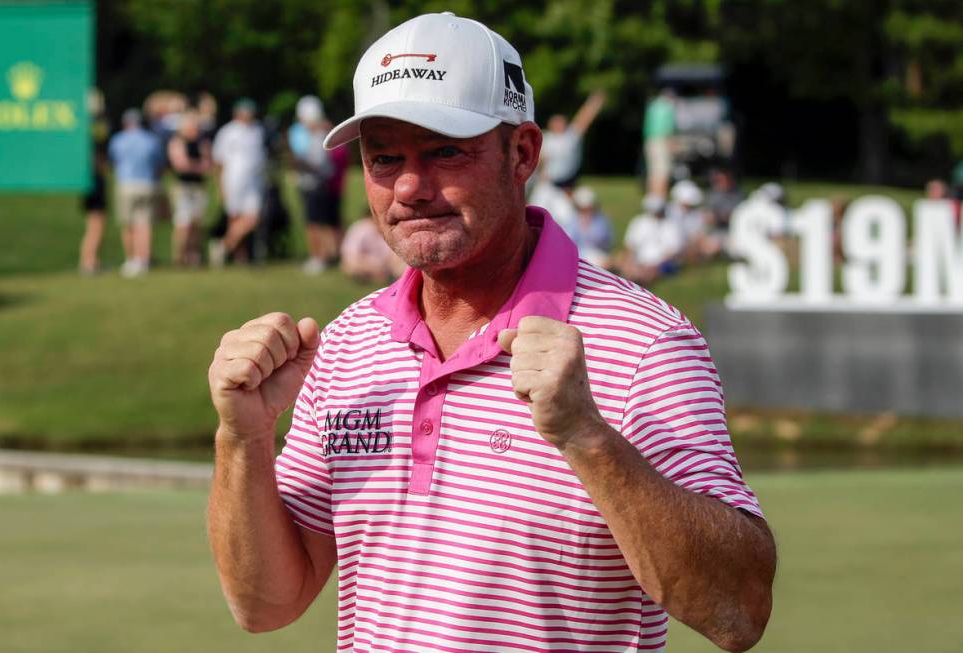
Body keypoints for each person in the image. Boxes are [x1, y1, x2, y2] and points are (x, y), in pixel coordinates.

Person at [207, 12, 775, 653]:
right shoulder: (348, 344)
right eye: (385, 159)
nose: (412, 187)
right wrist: (244, 436)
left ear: (523, 153)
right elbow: (264, 603)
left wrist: (586, 437)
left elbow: (739, 611)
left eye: (447, 151)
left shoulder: (643, 340)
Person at [108, 108, 163, 277]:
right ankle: (144, 260)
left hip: (126, 184)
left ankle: (131, 259)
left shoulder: (118, 140)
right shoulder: (151, 140)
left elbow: (113, 161)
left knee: (128, 224)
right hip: (148, 183)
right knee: (144, 223)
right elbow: (159, 163)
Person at [210, 98, 266, 265]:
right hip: (233, 181)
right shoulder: (227, 132)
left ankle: (223, 246)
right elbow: (219, 162)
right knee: (234, 218)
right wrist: (220, 186)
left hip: (253, 182)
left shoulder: (257, 131)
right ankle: (239, 257)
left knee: (252, 218)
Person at [288, 96, 340, 275]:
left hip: (317, 184)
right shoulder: (309, 134)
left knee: (316, 223)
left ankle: (320, 257)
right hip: (312, 184)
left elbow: (317, 162)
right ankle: (322, 255)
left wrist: (301, 164)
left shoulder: (319, 135)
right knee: (316, 222)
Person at [167, 110, 213, 267]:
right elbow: (181, 165)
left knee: (196, 223)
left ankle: (193, 256)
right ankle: (179, 257)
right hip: (183, 187)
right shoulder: (178, 141)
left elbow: (208, 165)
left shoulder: (202, 142)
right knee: (183, 224)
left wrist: (194, 166)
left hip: (199, 187)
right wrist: (197, 166)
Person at [538, 89, 606, 189]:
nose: (558, 124)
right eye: (556, 122)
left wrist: (594, 102)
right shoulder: (546, 138)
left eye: (561, 121)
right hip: (548, 183)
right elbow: (539, 160)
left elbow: (584, 119)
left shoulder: (570, 137)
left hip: (568, 183)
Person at [617, 194, 684, 286]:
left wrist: (654, 265)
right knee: (622, 262)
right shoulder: (638, 222)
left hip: (661, 263)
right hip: (639, 261)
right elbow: (630, 246)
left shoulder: (670, 225)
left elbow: (672, 251)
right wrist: (631, 262)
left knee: (652, 271)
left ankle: (637, 283)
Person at [78, 89, 110, 275]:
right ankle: (88, 261)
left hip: (91, 178)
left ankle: (91, 259)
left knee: (96, 221)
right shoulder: (94, 126)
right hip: (94, 178)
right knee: (96, 221)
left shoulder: (85, 127)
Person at [340, 210, 405, 283]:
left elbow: (395, 255)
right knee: (351, 266)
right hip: (365, 263)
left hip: (386, 265)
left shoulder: (390, 230)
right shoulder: (360, 229)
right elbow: (350, 254)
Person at [565, 185, 613, 267]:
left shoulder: (601, 219)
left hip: (599, 255)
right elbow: (569, 241)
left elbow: (605, 241)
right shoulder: (572, 220)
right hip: (578, 257)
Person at [643, 88, 677, 198]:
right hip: (661, 142)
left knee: (653, 172)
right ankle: (661, 197)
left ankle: (652, 197)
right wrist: (672, 146)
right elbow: (668, 129)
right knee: (663, 172)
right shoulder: (668, 107)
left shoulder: (653, 106)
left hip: (649, 141)